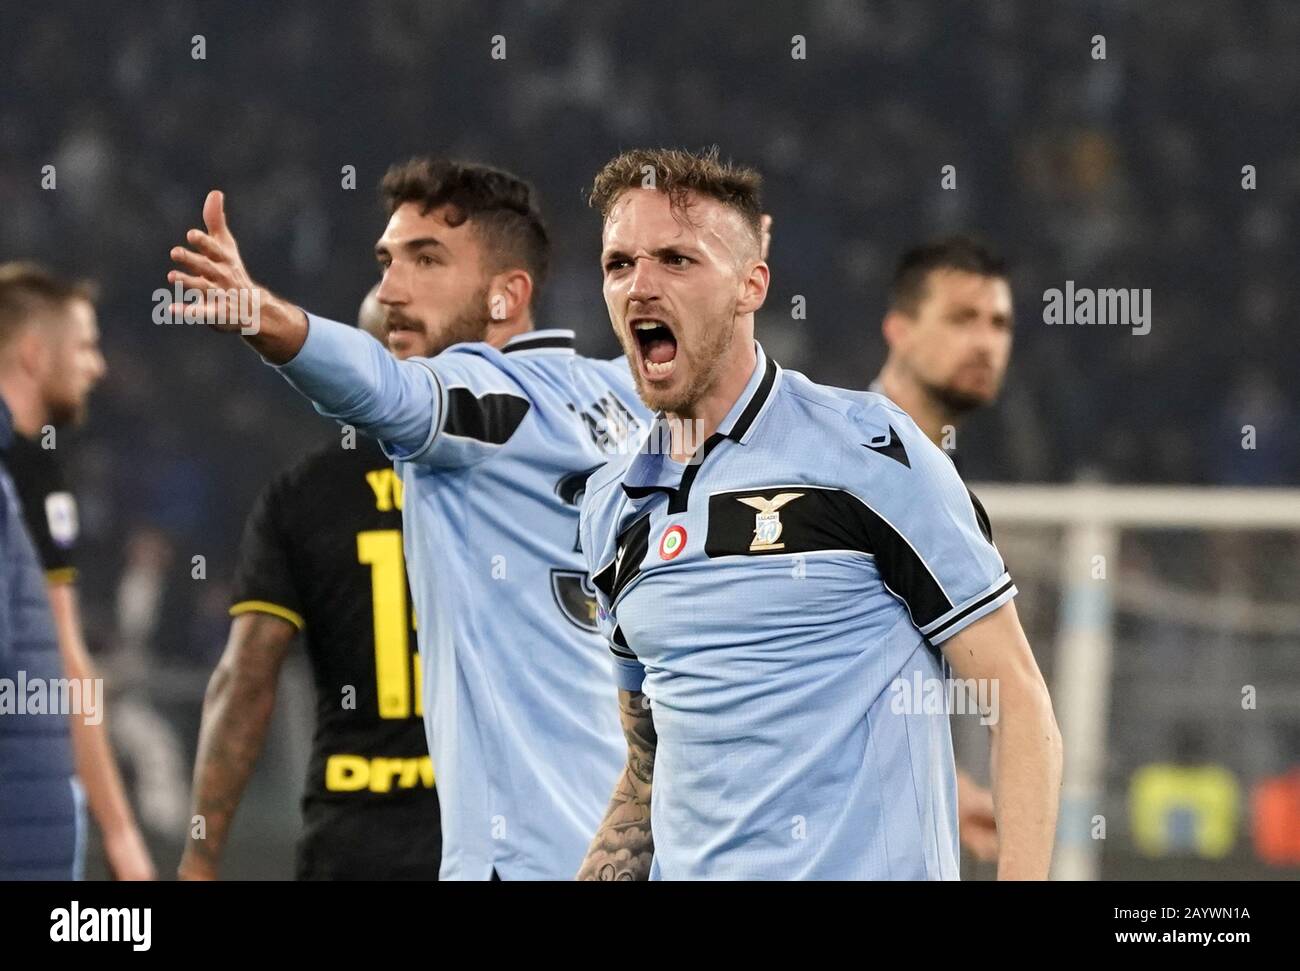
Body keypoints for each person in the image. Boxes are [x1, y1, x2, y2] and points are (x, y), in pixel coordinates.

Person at [577, 147, 1061, 879]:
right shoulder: (612, 507)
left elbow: (1018, 702)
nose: (640, 286)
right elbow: (646, 770)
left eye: (677, 260)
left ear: (751, 284)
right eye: (620, 264)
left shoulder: (870, 453)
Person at [166, 159, 646, 880]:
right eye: (386, 261)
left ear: (506, 294)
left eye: (426, 260)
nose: (390, 289)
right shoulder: (623, 395)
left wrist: (259, 312)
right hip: (634, 851)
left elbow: (389, 391)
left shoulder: (482, 401)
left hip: (519, 861)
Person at [179, 286, 441, 880]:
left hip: (353, 839)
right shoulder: (499, 484)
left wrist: (200, 856)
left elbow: (246, 680)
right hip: (487, 838)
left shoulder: (302, 496)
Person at [0, 263, 153, 881]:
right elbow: (66, 660)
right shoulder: (27, 473)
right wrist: (119, 833)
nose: (98, 366)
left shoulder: (34, 469)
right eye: (85, 346)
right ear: (35, 354)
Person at [870, 236, 1016, 864]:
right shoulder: (845, 468)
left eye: (999, 323)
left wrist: (944, 788)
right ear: (899, 330)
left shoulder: (934, 475)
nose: (985, 342)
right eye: (962, 318)